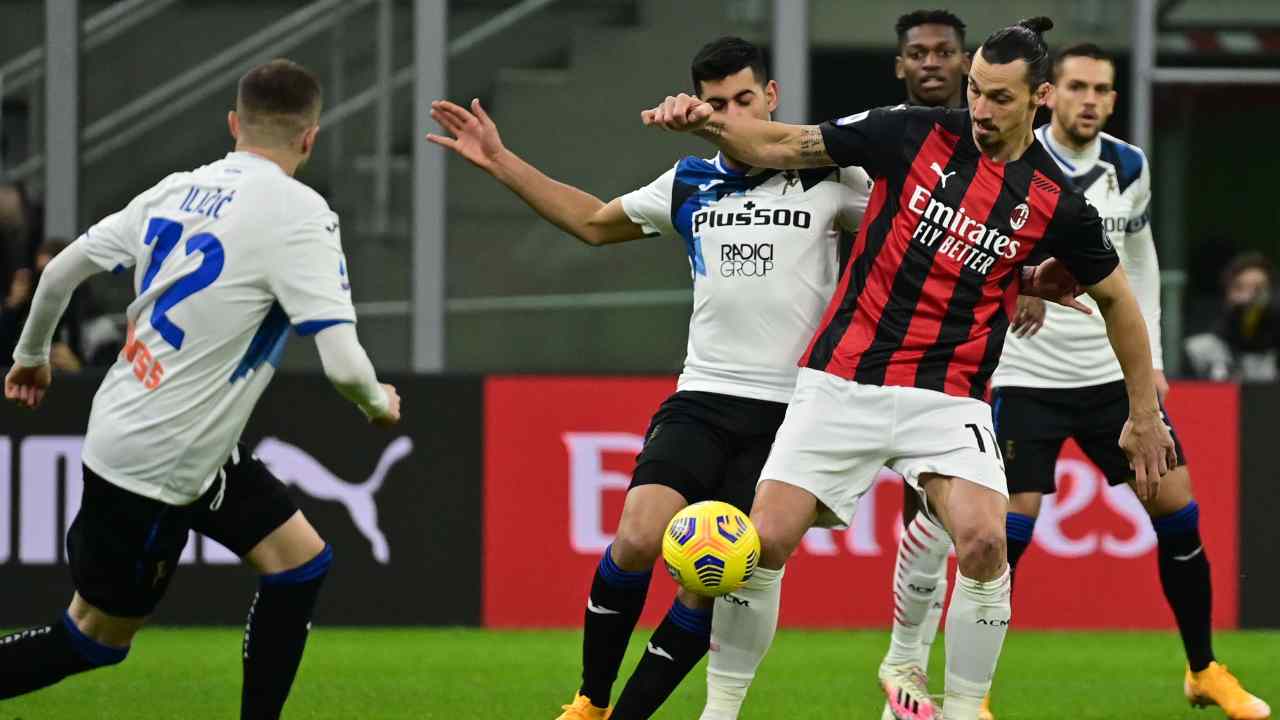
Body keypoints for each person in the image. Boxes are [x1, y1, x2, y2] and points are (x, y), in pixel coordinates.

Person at [642, 17, 1176, 720]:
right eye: (976, 91)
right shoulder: (908, 131)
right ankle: (721, 714)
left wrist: (1143, 415)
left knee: (987, 542)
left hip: (947, 397)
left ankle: (961, 710)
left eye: (1001, 99)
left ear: (1039, 97)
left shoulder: (1058, 202)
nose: (981, 110)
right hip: (843, 377)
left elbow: (1120, 303)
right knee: (763, 541)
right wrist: (707, 126)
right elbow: (780, 141)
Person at [429, 37, 871, 720]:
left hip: (791, 411)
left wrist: (1020, 276)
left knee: (710, 578)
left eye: (744, 100)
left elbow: (917, 236)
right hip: (703, 395)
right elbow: (592, 223)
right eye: (717, 103)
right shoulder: (689, 180)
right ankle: (590, 699)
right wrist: (500, 160)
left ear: (772, 98)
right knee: (637, 536)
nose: (731, 114)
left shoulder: (833, 180)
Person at [0, 59, 401, 720]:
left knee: (300, 563)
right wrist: (376, 403)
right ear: (310, 138)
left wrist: (31, 356)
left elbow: (61, 272)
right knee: (91, 641)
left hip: (166, 438)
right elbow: (345, 366)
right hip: (157, 467)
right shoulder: (301, 214)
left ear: (233, 124)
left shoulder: (177, 188)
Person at [991, 43, 1270, 720]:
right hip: (1026, 376)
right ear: (1048, 94)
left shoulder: (1129, 164)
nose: (1089, 99)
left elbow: (1140, 264)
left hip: (1110, 376)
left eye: (1101, 89)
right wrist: (1016, 283)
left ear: (1113, 100)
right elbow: (979, 252)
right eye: (1077, 86)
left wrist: (1153, 363)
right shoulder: (1012, 164)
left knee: (1178, 512)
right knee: (1006, 536)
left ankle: (1204, 669)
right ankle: (976, 695)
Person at [1185, 252, 1278, 382]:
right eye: (1240, 289)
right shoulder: (1199, 351)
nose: (1248, 298)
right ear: (1226, 294)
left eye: (1258, 290)